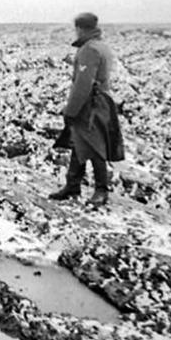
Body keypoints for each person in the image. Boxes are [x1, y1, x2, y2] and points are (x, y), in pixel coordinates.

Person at [49, 12, 125, 206]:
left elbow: (83, 84)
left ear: (80, 29)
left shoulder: (89, 50)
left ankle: (101, 190)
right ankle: (72, 185)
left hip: (91, 105)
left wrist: (70, 110)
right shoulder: (101, 46)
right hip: (100, 101)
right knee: (78, 142)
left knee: (94, 145)